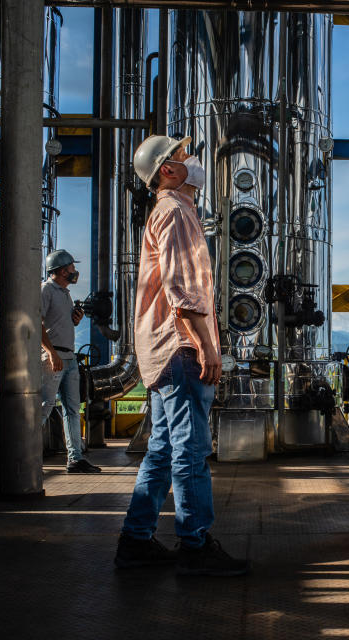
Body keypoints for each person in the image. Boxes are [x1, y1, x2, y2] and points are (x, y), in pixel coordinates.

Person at [114, 134, 248, 577]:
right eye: (183, 155)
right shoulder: (175, 212)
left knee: (162, 449)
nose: (192, 160)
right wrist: (207, 346)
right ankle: (193, 546)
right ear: (168, 171)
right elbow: (180, 286)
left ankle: (135, 541)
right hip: (180, 346)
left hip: (162, 348)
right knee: (189, 449)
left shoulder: (173, 211)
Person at [39, 249, 101, 474]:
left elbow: (57, 325)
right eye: (72, 268)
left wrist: (75, 320)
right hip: (53, 358)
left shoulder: (64, 293)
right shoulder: (46, 290)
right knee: (45, 407)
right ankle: (24, 453)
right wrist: (52, 353)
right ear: (63, 270)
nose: (75, 272)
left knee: (73, 410)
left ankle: (75, 459)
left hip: (69, 358)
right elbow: (38, 323)